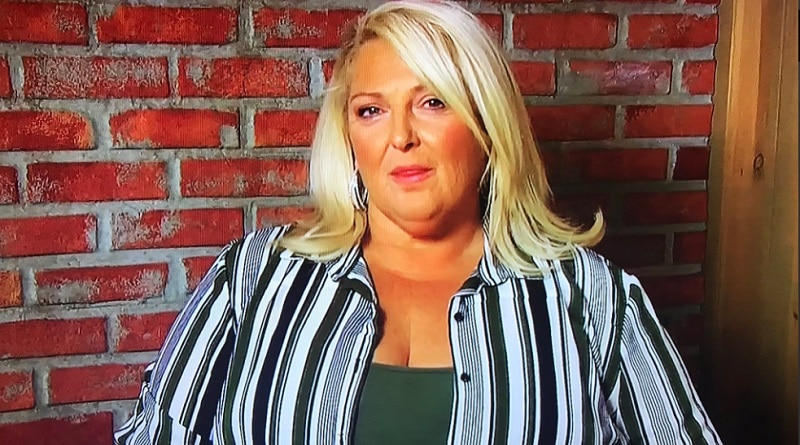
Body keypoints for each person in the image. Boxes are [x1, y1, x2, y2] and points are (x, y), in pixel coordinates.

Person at [114, 1, 722, 444]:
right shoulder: (254, 276)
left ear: (487, 125)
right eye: (371, 110)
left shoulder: (592, 298)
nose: (400, 136)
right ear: (349, 136)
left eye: (433, 102)